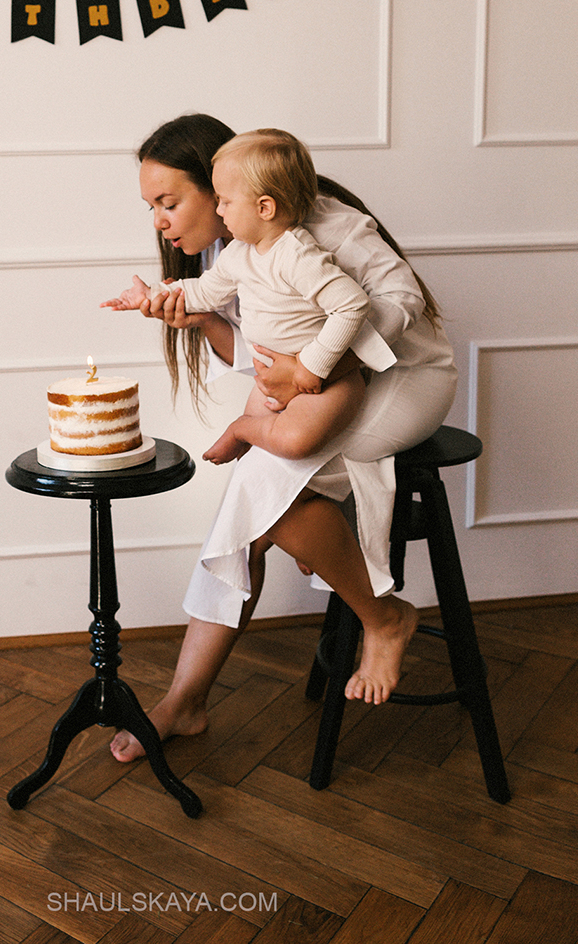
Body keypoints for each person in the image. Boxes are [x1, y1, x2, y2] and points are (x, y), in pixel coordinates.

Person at [107, 113, 457, 762]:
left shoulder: (323, 225)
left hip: (402, 378)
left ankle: (383, 618)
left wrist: (317, 364)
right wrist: (196, 318)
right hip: (321, 389)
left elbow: (403, 301)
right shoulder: (233, 246)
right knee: (259, 491)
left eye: (168, 202)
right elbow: (258, 357)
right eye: (151, 207)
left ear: (220, 187)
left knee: (266, 490)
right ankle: (187, 698)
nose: (158, 221)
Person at [103, 129, 396, 464]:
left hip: (325, 377)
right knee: (260, 461)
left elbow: (355, 305)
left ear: (263, 207)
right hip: (276, 377)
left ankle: (241, 429)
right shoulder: (237, 253)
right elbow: (204, 291)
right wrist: (153, 293)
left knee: (294, 445)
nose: (219, 211)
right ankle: (243, 430)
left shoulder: (299, 255)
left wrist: (311, 365)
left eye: (224, 201)